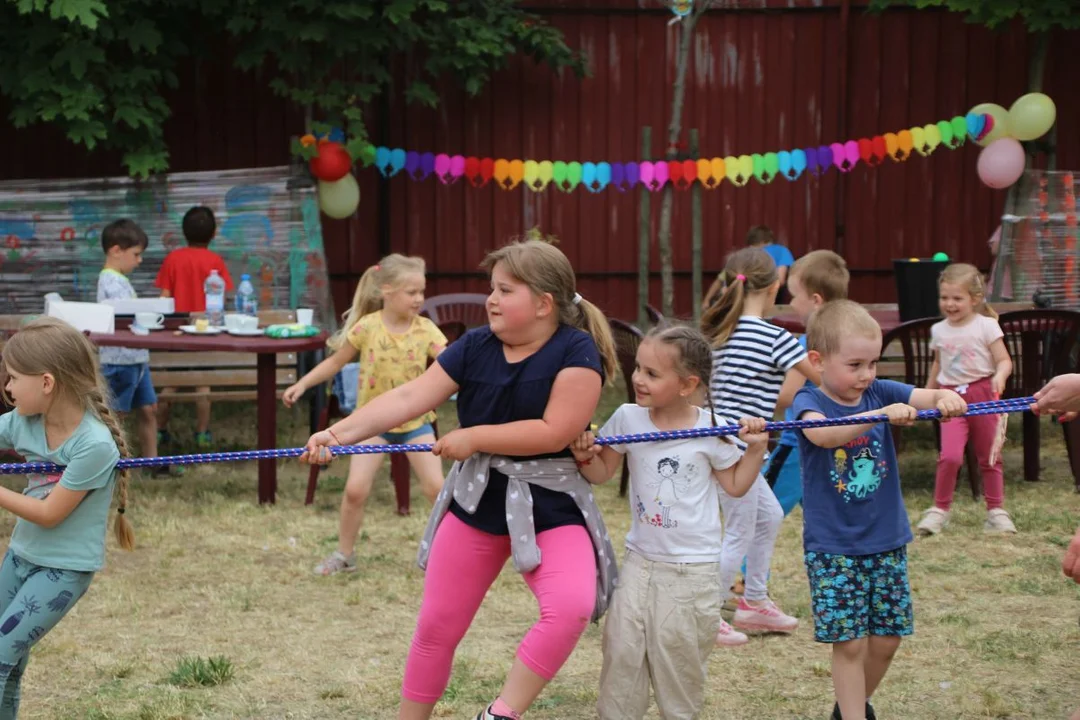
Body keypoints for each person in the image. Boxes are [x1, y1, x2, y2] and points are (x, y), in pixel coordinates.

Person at [300, 239, 619, 720]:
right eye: (491, 288)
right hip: (477, 501)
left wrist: (473, 437)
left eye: (504, 290)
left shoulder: (576, 351)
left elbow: (556, 430)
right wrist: (337, 432)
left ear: (543, 304)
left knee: (571, 606)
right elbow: (408, 398)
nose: (490, 299)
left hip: (552, 502)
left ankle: (500, 714)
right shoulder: (475, 346)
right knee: (437, 627)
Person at [570, 325, 769, 720]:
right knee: (622, 652)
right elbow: (602, 474)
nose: (638, 379)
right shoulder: (628, 418)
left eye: (652, 374)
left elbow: (734, 486)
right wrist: (584, 455)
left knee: (678, 662)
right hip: (639, 564)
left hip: (690, 573)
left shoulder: (713, 428)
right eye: (639, 368)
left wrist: (756, 450)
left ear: (686, 384)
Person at [791, 300, 966, 720]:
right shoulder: (808, 399)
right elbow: (824, 437)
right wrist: (878, 416)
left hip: (886, 538)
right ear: (818, 361)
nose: (867, 374)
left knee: (887, 638)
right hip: (833, 545)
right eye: (855, 364)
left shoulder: (881, 390)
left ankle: (848, 708)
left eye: (872, 363)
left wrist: (946, 397)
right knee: (849, 642)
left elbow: (931, 394)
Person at [0, 317, 135, 716]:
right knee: (10, 664)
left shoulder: (93, 444)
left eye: (12, 378)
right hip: (20, 557)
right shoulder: (24, 421)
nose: (7, 388)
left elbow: (48, 513)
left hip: (62, 570)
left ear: (45, 383)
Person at [282, 254, 447, 575]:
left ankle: (448, 555)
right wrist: (303, 383)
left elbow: (452, 363)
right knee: (356, 490)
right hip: (373, 426)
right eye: (411, 292)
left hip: (416, 425)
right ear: (386, 290)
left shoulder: (427, 330)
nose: (419, 299)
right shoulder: (367, 327)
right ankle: (344, 554)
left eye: (421, 292)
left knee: (437, 490)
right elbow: (334, 363)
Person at [701, 247, 818, 645]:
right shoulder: (776, 337)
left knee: (768, 516)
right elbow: (819, 377)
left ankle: (753, 602)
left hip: (719, 440)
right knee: (738, 530)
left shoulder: (717, 333)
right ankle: (707, 613)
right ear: (775, 288)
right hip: (739, 446)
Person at [915, 263, 1015, 536]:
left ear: (975, 299)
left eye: (957, 298)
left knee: (990, 456)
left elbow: (1004, 360)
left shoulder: (987, 326)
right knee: (949, 456)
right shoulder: (939, 331)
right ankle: (939, 511)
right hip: (949, 398)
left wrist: (1000, 377)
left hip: (983, 394)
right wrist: (926, 393)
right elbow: (938, 365)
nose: (950, 304)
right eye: (944, 297)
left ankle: (996, 512)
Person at [768, 249, 850, 515]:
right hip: (834, 443)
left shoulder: (808, 344)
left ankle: (742, 560)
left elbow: (787, 396)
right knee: (827, 515)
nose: (791, 303)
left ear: (815, 300)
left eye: (794, 296)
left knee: (759, 511)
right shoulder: (846, 338)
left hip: (796, 446)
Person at [154, 206, 234, 449]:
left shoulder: (173, 259)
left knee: (170, 381)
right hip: (206, 330)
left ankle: (159, 430)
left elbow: (164, 297)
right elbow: (223, 298)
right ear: (213, 234)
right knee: (202, 381)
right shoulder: (215, 262)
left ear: (183, 232)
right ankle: (202, 433)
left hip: (177, 330)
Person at [96, 219, 167, 475]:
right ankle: (110, 466)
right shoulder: (110, 281)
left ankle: (152, 464)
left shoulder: (119, 279)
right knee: (117, 416)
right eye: (136, 254)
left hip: (136, 359)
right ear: (116, 250)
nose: (139, 261)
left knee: (149, 409)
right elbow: (124, 319)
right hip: (119, 360)